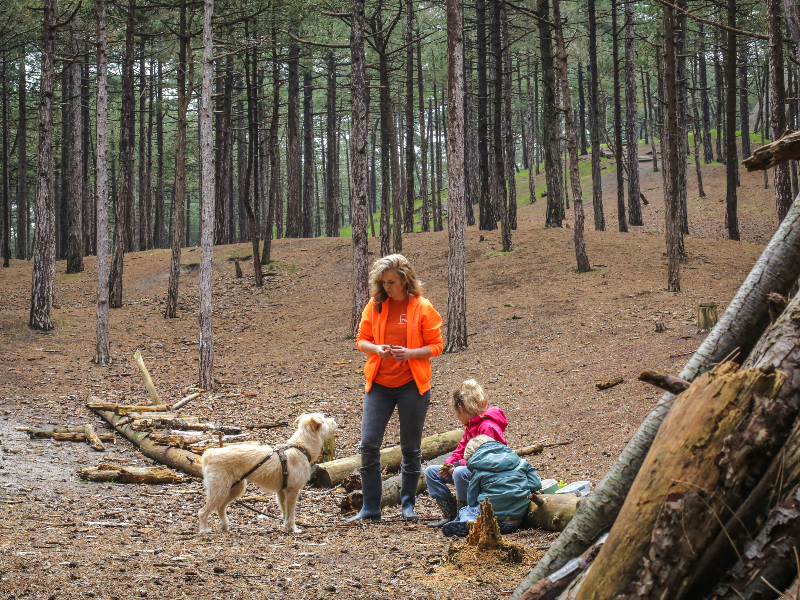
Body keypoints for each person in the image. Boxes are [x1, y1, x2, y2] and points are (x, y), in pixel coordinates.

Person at [349, 254, 443, 522]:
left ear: (405, 279)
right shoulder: (376, 305)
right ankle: (370, 508)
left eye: (391, 282)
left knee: (410, 448)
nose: (387, 287)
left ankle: (407, 506)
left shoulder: (422, 307)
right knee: (368, 444)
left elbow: (436, 345)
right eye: (383, 282)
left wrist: (410, 353)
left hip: (412, 385)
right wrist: (376, 348)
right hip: (378, 384)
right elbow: (361, 340)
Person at [425, 380, 508, 527]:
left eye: (456, 412)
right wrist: (450, 463)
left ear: (461, 409)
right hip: (471, 472)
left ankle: (463, 512)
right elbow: (460, 450)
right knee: (431, 472)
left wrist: (458, 466)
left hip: (489, 478)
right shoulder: (470, 426)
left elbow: (488, 462)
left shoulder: (488, 427)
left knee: (460, 472)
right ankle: (449, 514)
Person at [441, 434, 542, 537]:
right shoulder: (520, 461)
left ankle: (469, 521)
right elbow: (536, 484)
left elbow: (471, 499)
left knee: (466, 509)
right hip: (518, 517)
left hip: (492, 517)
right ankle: (502, 523)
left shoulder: (479, 468)